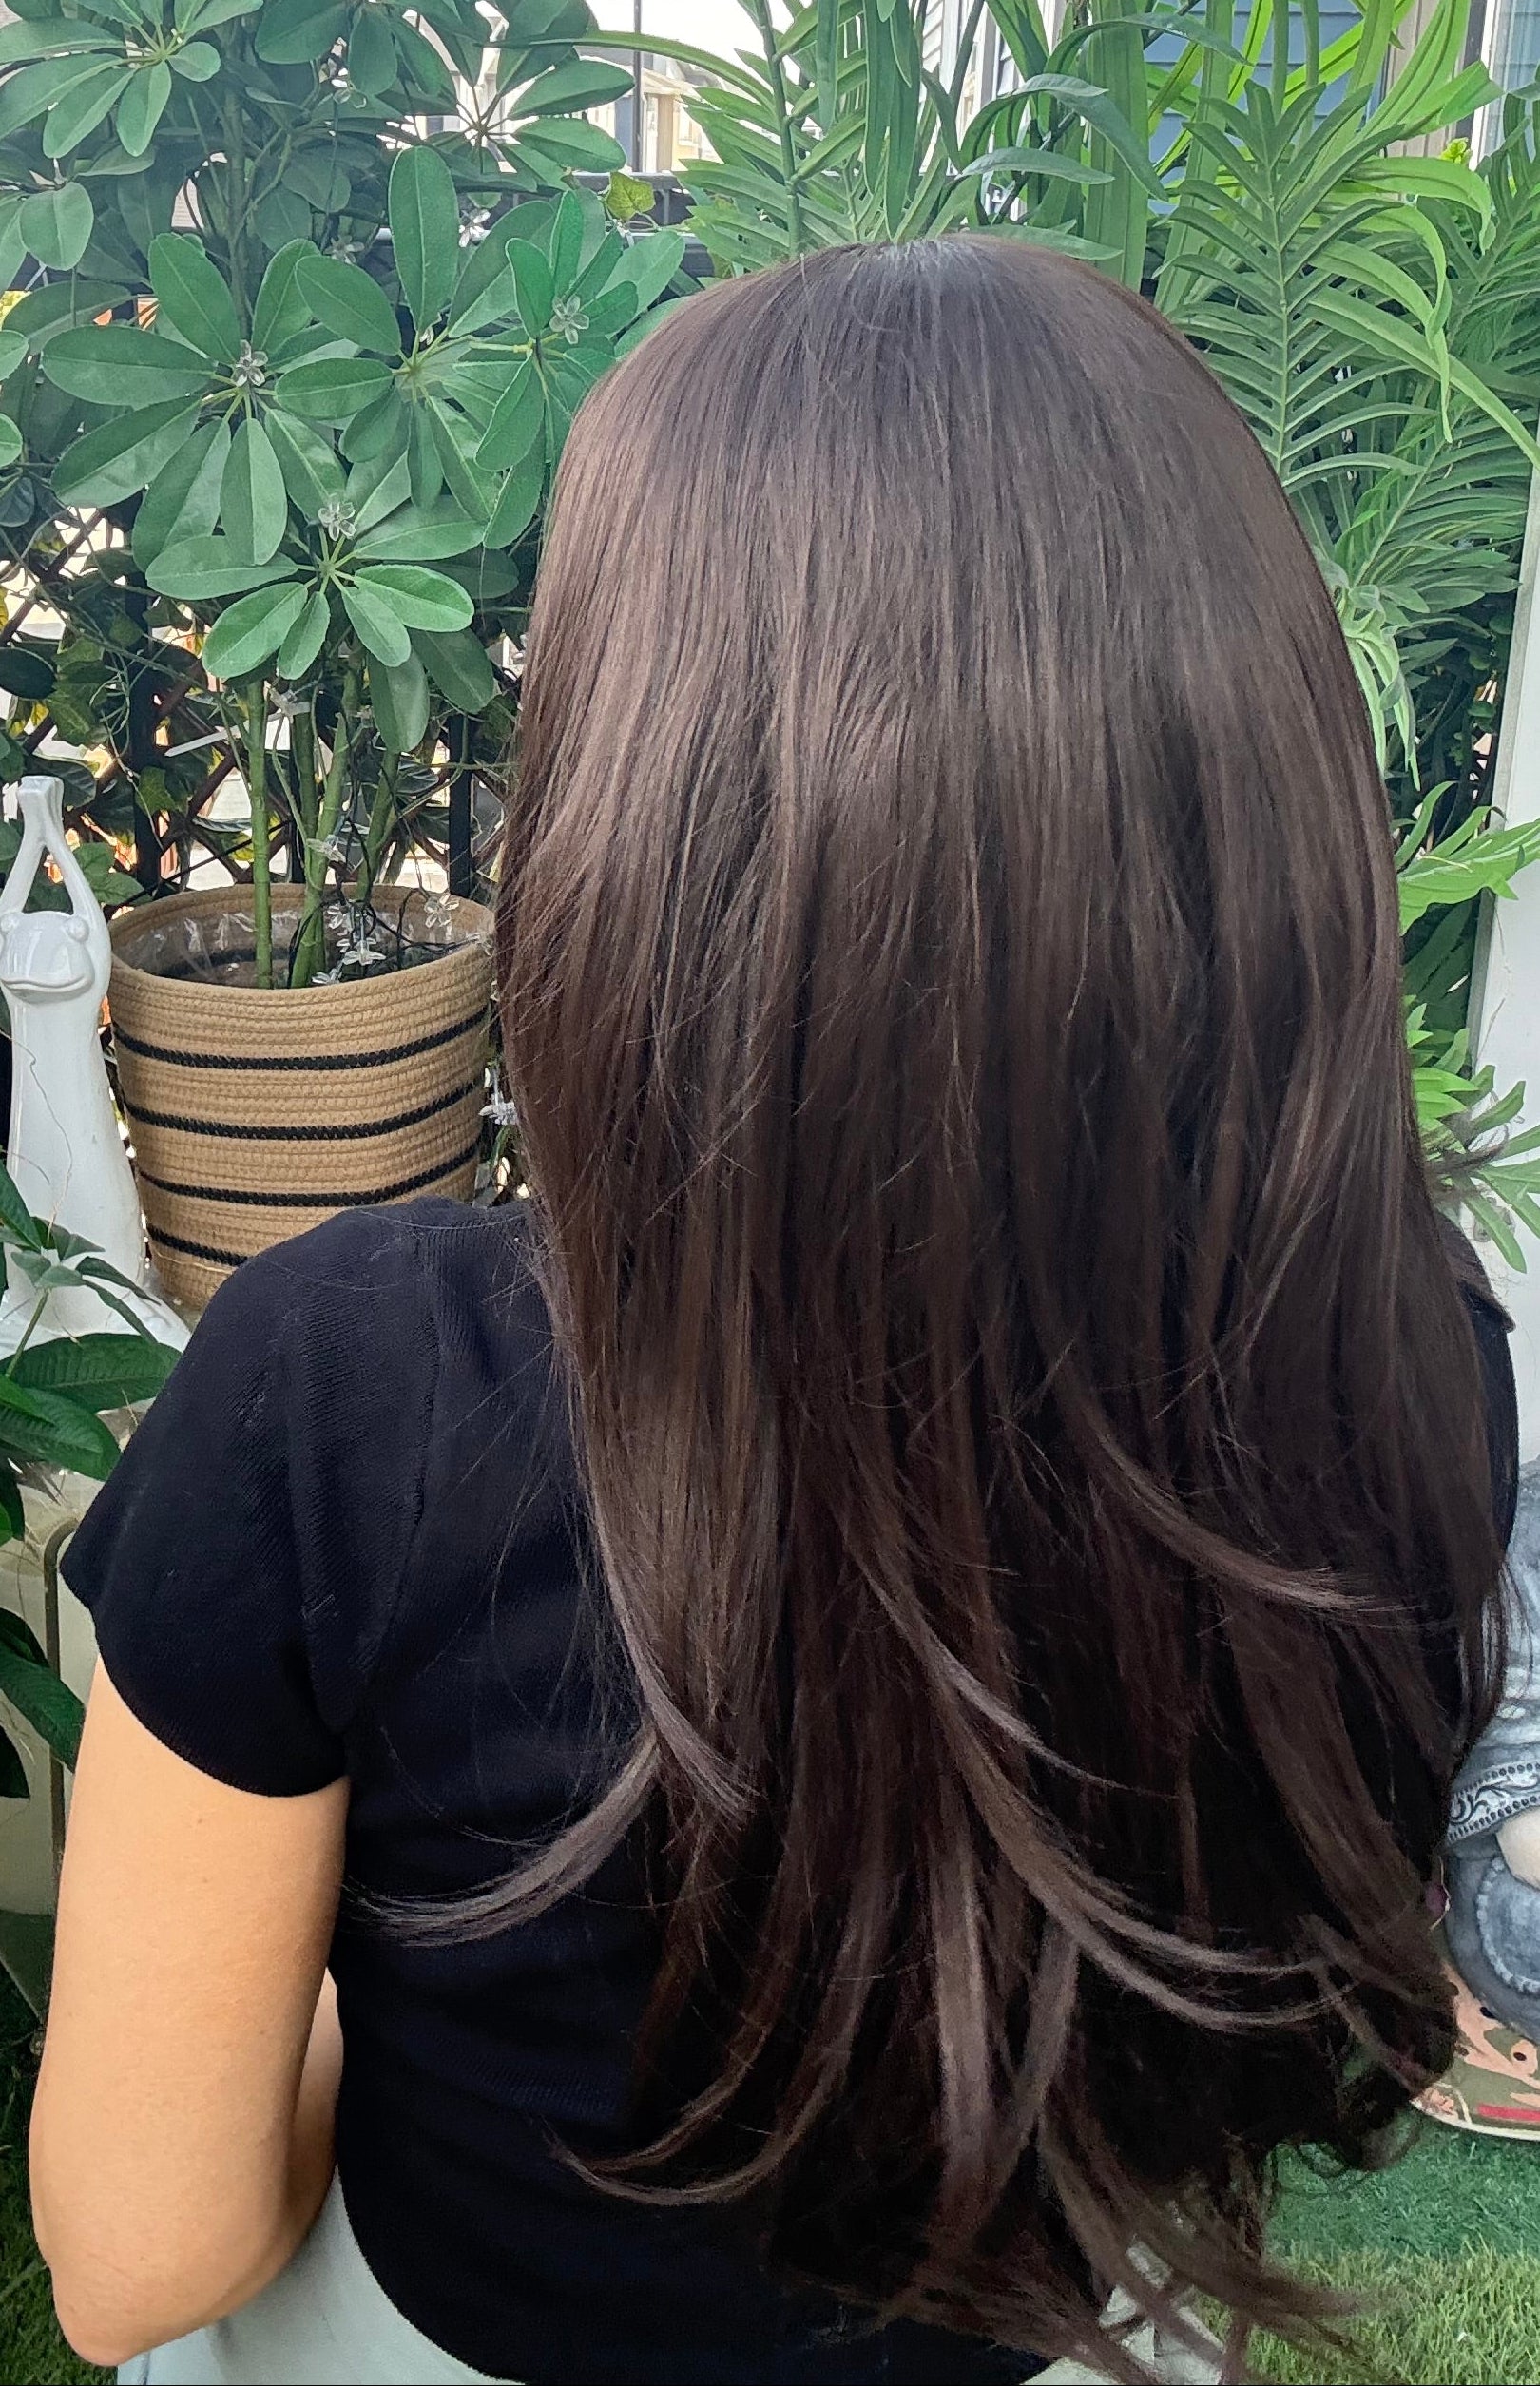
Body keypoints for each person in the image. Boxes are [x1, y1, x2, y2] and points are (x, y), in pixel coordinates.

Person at [30, 239, 1518, 2386]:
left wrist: (344, 1981)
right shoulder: (1403, 1359)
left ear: (646, 798)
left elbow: (140, 2250)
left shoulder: (349, 1391)